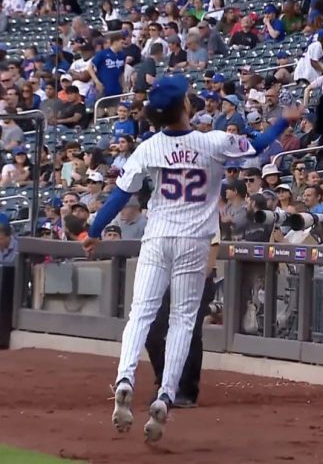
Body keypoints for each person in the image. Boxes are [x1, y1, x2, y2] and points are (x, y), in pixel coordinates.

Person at [81, 74, 303, 442]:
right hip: (194, 242)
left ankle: (124, 377)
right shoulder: (211, 142)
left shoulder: (149, 147)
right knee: (183, 321)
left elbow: (120, 197)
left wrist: (94, 232)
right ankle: (166, 394)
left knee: (141, 313)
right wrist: (285, 119)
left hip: (157, 236)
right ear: (183, 107)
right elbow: (260, 144)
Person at [145, 229, 220, 408]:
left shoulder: (205, 208)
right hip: (166, 276)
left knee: (191, 334)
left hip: (196, 277)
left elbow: (214, 245)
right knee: (152, 330)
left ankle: (186, 390)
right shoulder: (167, 214)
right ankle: (166, 380)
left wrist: (202, 277)